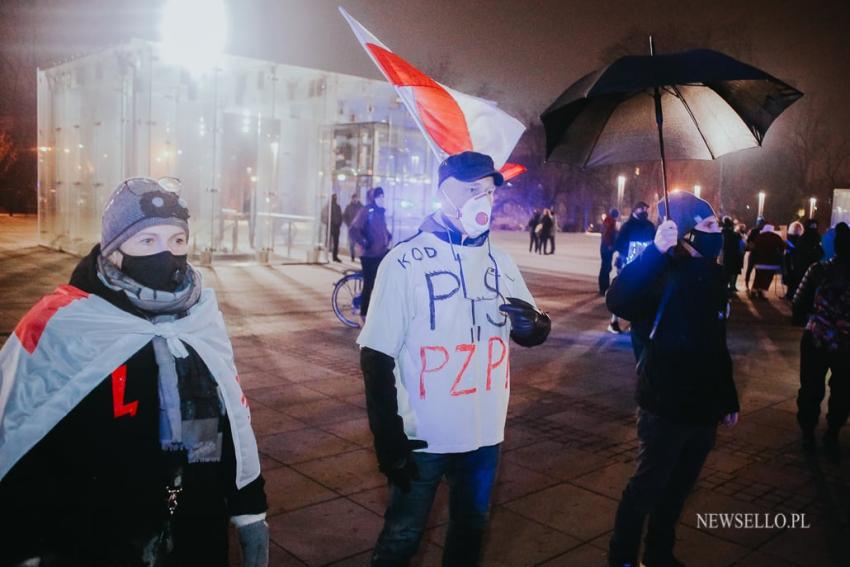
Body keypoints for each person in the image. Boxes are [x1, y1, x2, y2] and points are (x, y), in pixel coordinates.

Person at [0, 177, 269, 566]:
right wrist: (19, 542)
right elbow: (21, 432)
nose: (167, 255)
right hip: (99, 541)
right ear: (113, 250)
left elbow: (231, 419)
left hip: (197, 531)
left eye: (177, 241)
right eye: (147, 241)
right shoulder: (64, 323)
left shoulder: (199, 317)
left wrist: (248, 507)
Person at [357, 151, 551, 566]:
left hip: (483, 434)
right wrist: (387, 435)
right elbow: (376, 355)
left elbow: (531, 329)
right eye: (472, 190)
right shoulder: (404, 261)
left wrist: (534, 325)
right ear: (445, 193)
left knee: (470, 530)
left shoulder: (501, 262)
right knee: (402, 537)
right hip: (423, 435)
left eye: (489, 192)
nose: (484, 200)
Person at [606, 191, 739, 567]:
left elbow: (717, 342)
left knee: (678, 491)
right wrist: (654, 252)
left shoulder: (714, 276)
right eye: (709, 225)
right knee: (646, 489)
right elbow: (618, 300)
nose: (718, 231)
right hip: (664, 405)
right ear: (686, 232)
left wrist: (727, 398)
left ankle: (659, 552)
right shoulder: (661, 271)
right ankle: (623, 558)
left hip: (703, 406)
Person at [792, 222, 850, 463]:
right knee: (843, 390)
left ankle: (807, 433)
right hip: (846, 343)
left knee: (811, 387)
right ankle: (833, 432)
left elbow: (798, 303)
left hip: (816, 338)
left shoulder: (817, 270)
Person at [609, 201, 655, 337]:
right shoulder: (627, 226)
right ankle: (614, 321)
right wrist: (622, 257)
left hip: (645, 264)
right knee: (623, 291)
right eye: (641, 208)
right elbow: (619, 243)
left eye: (646, 208)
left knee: (641, 293)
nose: (644, 211)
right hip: (628, 263)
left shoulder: (649, 225)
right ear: (635, 210)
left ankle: (635, 322)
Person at [349, 187, 392, 318]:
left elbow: (382, 230)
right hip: (368, 254)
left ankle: (378, 309)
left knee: (383, 280)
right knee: (369, 283)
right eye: (379, 197)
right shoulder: (367, 211)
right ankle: (363, 314)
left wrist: (388, 237)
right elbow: (354, 229)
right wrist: (364, 242)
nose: (382, 199)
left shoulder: (380, 213)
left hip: (380, 252)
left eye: (383, 197)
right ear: (373, 198)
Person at [750, 224, 785, 299]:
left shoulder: (759, 237)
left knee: (758, 277)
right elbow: (782, 247)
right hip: (771, 262)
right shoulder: (776, 237)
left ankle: (754, 291)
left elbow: (754, 248)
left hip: (759, 261)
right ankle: (762, 292)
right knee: (768, 277)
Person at [720, 216, 744, 294]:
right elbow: (742, 244)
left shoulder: (720, 233)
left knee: (725, 271)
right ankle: (732, 286)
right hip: (734, 256)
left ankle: (725, 287)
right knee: (733, 271)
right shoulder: (735, 234)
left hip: (725, 255)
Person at [599, 208, 620, 294]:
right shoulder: (610, 222)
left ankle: (603, 286)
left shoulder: (607, 221)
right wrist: (611, 246)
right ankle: (604, 287)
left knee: (605, 267)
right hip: (607, 248)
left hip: (605, 248)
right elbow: (608, 235)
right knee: (606, 267)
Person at [783, 220, 805, 299]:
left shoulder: (792, 237)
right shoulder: (800, 238)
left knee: (791, 277)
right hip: (794, 259)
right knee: (792, 277)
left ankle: (790, 294)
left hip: (792, 258)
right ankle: (791, 294)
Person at [744, 217, 766, 290]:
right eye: (760, 223)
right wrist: (752, 246)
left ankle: (756, 287)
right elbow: (748, 240)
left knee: (758, 272)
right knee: (749, 269)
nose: (761, 224)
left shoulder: (764, 231)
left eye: (762, 223)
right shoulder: (754, 231)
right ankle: (747, 285)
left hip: (760, 254)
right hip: (754, 253)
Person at [344, 191, 364, 261]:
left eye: (356, 198)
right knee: (352, 244)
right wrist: (349, 224)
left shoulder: (361, 207)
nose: (355, 199)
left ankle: (361, 257)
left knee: (360, 244)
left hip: (359, 229)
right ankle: (352, 256)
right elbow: (345, 216)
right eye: (354, 198)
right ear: (352, 199)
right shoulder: (349, 207)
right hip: (352, 229)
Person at [328, 194, 343, 262]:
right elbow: (325, 215)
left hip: (336, 227)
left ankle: (335, 256)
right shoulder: (329, 206)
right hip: (331, 226)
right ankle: (327, 256)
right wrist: (329, 223)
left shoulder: (338, 207)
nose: (335, 199)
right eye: (334, 198)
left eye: (336, 198)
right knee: (329, 242)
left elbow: (340, 216)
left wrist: (339, 224)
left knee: (336, 242)